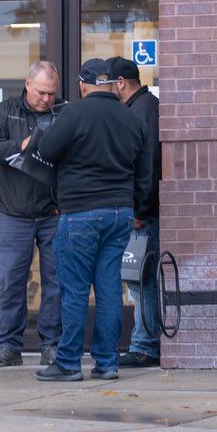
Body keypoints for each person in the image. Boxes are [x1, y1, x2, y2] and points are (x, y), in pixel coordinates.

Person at [33, 58, 152, 381]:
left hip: (81, 213)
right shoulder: (132, 118)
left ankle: (69, 363)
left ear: (82, 85)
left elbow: (48, 148)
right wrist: (137, 208)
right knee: (110, 288)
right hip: (120, 214)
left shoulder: (73, 113)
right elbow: (145, 172)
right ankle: (107, 362)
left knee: (73, 290)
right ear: (114, 84)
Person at [0, 61, 64, 368]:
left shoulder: (62, 113)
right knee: (11, 280)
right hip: (15, 213)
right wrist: (22, 145)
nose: (47, 99)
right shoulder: (6, 111)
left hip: (53, 212)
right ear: (28, 84)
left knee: (56, 281)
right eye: (42, 92)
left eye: (52, 94)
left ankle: (52, 345)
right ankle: (8, 346)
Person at [108, 56, 162, 369]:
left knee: (142, 281)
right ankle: (144, 343)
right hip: (140, 211)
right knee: (138, 281)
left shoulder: (143, 110)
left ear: (120, 83)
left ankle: (145, 346)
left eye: (109, 84)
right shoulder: (141, 108)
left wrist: (139, 209)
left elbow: (149, 164)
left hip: (143, 214)